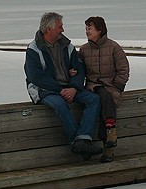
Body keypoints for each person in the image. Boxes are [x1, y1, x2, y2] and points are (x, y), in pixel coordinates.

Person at [24, 12, 103, 160]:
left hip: (69, 88)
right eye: (60, 27)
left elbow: (79, 69)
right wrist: (60, 89)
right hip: (44, 91)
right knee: (60, 104)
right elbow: (35, 77)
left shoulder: (67, 46)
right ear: (49, 29)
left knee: (93, 99)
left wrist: (73, 88)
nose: (63, 30)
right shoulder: (34, 49)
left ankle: (83, 139)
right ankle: (76, 142)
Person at [78, 16, 130, 163]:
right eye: (86, 28)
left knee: (105, 97)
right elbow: (78, 68)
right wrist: (74, 72)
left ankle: (107, 141)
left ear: (99, 30)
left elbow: (123, 69)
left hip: (109, 87)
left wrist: (118, 87)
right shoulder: (84, 50)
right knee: (93, 100)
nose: (87, 31)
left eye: (90, 28)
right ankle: (106, 136)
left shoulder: (113, 47)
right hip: (91, 87)